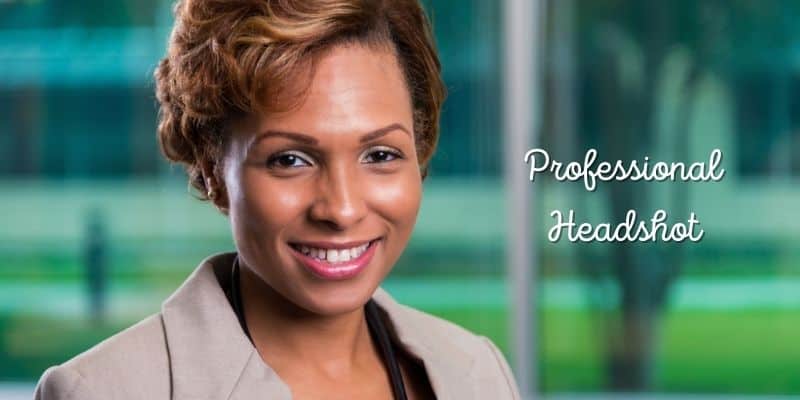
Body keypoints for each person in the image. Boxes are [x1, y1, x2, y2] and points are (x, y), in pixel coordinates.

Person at [34, 0, 522, 399]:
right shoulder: (99, 391)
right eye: (290, 160)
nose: (342, 209)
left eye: (379, 153)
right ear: (212, 167)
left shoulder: (478, 373)